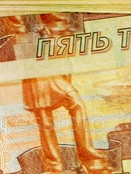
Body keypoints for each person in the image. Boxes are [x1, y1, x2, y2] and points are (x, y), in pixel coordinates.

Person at [21, 14, 108, 174]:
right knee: (45, 122)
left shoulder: (64, 26)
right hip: (37, 66)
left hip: (55, 65)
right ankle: (54, 167)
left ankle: (87, 153)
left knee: (77, 104)